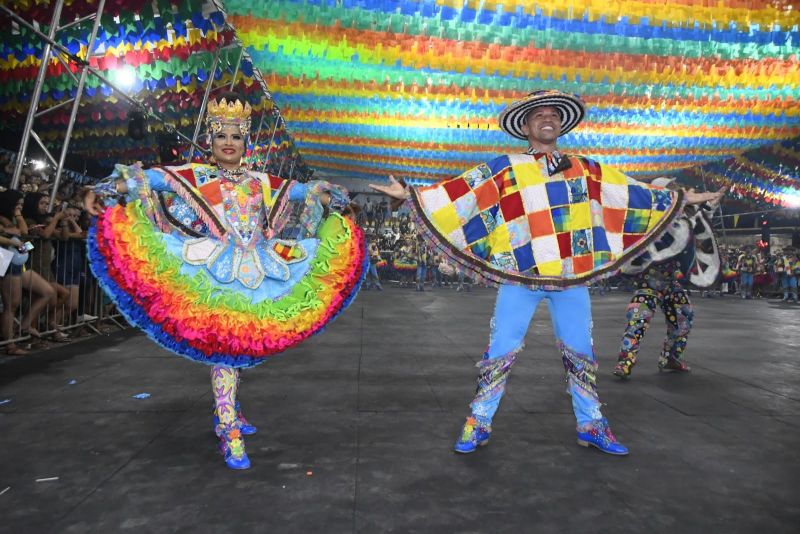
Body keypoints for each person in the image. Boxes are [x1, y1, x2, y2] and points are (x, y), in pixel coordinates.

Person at [371, 90, 724, 456]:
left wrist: (685, 198)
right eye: (539, 114)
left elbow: (633, 193)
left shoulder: (585, 169)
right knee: (500, 350)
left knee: (581, 351)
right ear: (526, 126)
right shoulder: (505, 167)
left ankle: (591, 424)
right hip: (520, 276)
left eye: (554, 114)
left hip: (570, 277)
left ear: (561, 124)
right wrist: (412, 194)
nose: (547, 118)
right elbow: (460, 193)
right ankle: (478, 422)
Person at [83, 93, 366, 470]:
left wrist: (329, 195)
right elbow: (148, 179)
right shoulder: (196, 176)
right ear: (212, 143)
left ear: (245, 143)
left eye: (235, 137)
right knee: (224, 348)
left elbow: (307, 191)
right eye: (221, 137)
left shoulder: (262, 182)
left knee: (243, 344)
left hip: (260, 266)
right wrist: (104, 190)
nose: (228, 143)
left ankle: (229, 412)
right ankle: (228, 425)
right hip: (215, 268)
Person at [613, 179, 722, 379]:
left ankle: (672, 358)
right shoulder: (650, 218)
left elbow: (698, 222)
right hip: (649, 283)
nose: (677, 194)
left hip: (671, 283)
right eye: (672, 191)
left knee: (684, 316)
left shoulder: (682, 219)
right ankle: (624, 362)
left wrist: (710, 206)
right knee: (637, 320)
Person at [0, 189, 56, 353]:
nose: (19, 208)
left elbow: (23, 232)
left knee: (47, 291)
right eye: (17, 204)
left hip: (19, 262)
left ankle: (25, 325)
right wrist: (14, 239)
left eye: (22, 205)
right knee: (12, 305)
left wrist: (17, 216)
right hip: (6, 260)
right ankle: (10, 344)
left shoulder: (14, 218)